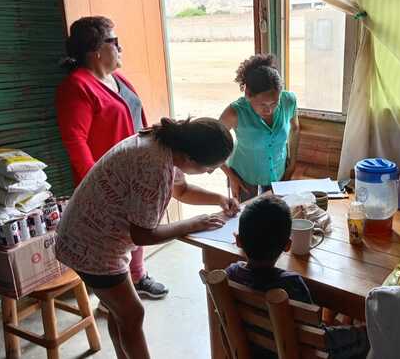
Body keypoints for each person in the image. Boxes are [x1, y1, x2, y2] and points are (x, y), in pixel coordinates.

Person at [56, 117, 239, 359]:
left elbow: (182, 190)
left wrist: (219, 199)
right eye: (209, 168)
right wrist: (193, 223)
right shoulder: (154, 166)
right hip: (92, 245)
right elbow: (142, 234)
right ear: (191, 158)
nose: (210, 173)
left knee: (119, 311)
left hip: (88, 233)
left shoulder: (168, 144)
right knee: (132, 314)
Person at [55, 16, 167, 300]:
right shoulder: (77, 86)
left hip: (134, 168)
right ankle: (116, 290)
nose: (120, 48)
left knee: (139, 221)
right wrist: (95, 183)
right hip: (107, 178)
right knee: (117, 234)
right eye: (114, 42)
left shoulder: (118, 78)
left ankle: (138, 276)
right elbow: (75, 140)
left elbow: (137, 115)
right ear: (95, 49)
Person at [226, 196, 369, 359]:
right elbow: (316, 339)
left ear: (238, 241)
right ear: (288, 245)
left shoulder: (230, 275)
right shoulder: (291, 285)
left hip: (254, 351)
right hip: (296, 353)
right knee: (366, 337)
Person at [219, 54, 301, 202]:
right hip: (243, 176)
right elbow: (212, 145)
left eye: (274, 103)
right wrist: (231, 176)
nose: (269, 110)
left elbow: (295, 129)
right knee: (245, 217)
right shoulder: (235, 112)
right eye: (263, 104)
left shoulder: (289, 101)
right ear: (248, 94)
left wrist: (293, 163)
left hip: (278, 171)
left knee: (274, 214)